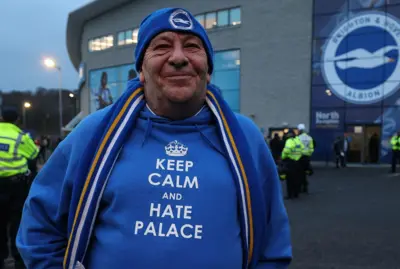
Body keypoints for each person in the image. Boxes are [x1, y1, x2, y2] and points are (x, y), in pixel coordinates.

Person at [17, 8, 291, 269]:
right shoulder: (94, 132)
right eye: (161, 46)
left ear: (208, 70)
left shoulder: (245, 137)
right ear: (141, 70)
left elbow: (273, 241)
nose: (178, 57)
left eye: (192, 47)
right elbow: (39, 225)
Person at [0, 107, 39, 269]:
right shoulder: (21, 137)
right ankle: (18, 259)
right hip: (16, 186)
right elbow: (33, 155)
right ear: (17, 120)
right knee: (17, 221)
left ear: (1, 118)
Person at [281, 129, 304, 199]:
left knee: (289, 180)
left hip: (290, 162)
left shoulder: (289, 141)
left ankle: (290, 195)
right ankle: (296, 193)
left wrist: (283, 157)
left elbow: (287, 150)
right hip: (298, 161)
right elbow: (302, 149)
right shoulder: (298, 141)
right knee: (296, 179)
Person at [297, 124, 314, 193]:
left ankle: (300, 187)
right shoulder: (309, 138)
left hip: (300, 157)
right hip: (307, 157)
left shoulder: (298, 138)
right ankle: (305, 187)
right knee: (305, 172)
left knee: (299, 173)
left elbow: (297, 147)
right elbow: (311, 148)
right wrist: (309, 155)